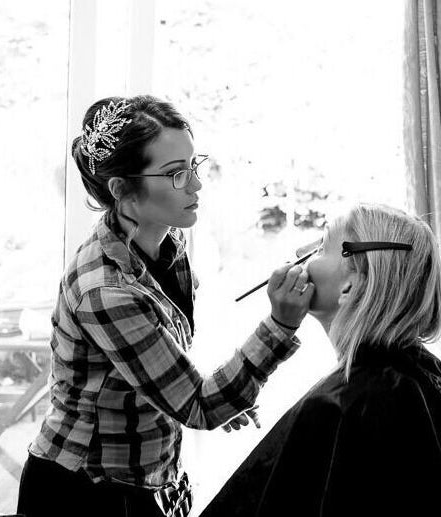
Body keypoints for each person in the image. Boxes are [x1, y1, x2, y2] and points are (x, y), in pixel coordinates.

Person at [16, 95, 314, 517]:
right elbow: (199, 405)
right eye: (176, 173)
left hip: (144, 482)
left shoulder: (166, 245)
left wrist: (191, 397)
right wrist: (280, 325)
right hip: (84, 493)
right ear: (122, 190)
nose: (196, 185)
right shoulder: (106, 291)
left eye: (194, 165)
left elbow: (164, 374)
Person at [200, 204, 441, 517]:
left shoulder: (349, 404)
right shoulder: (423, 375)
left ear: (350, 287)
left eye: (321, 247)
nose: (300, 256)